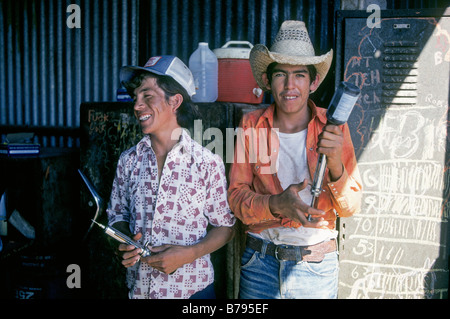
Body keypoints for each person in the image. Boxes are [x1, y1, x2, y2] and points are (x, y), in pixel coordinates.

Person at [227, 20, 363, 299]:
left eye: (300, 75)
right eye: (280, 75)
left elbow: (351, 207)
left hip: (316, 266)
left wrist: (335, 164)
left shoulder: (334, 127)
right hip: (259, 263)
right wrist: (277, 205)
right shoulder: (251, 126)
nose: (290, 85)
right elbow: (236, 199)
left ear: (313, 82)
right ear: (267, 80)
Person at [106, 55, 235, 299]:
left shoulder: (206, 162)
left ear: (175, 101)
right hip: (140, 289)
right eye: (136, 98)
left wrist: (190, 253)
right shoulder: (129, 160)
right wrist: (122, 242)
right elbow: (116, 215)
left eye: (148, 96)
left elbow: (225, 227)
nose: (136, 105)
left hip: (193, 291)